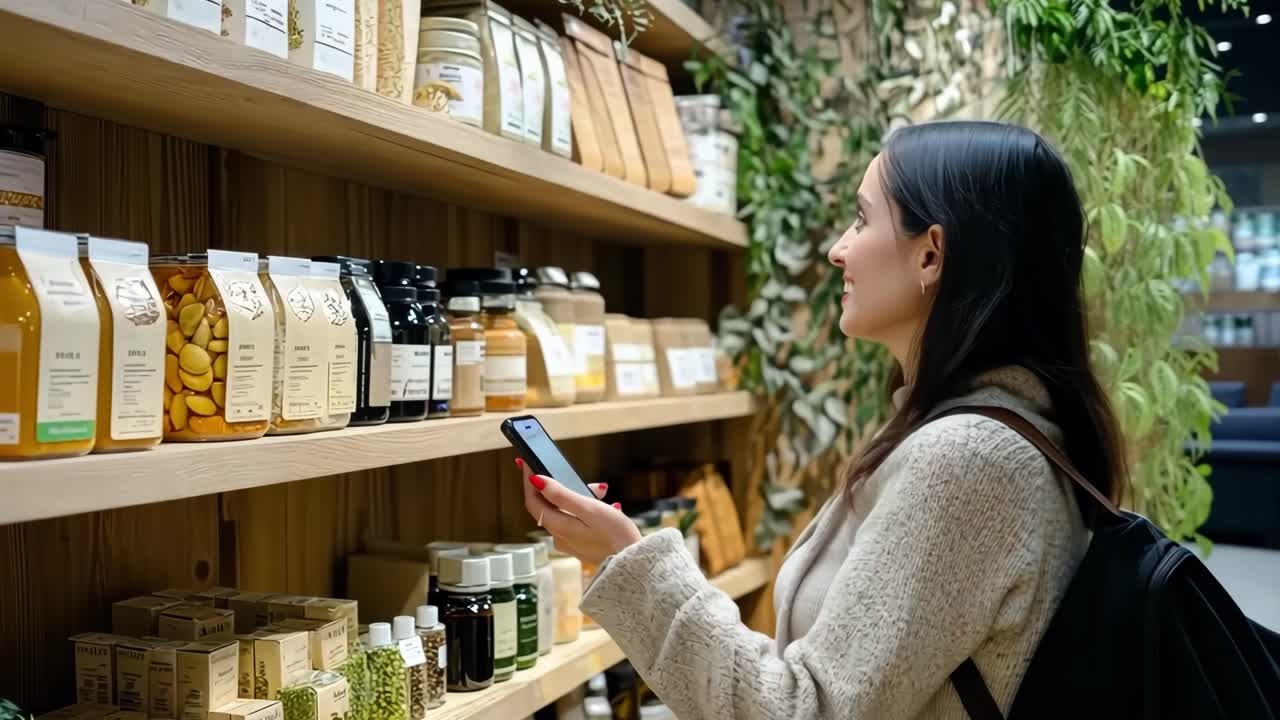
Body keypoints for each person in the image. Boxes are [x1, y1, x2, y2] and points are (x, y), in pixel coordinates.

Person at [519, 120, 1127, 719]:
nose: (839, 248)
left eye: (862, 219)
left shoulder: (968, 461)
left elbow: (804, 710)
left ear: (931, 255)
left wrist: (630, 558)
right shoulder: (992, 435)